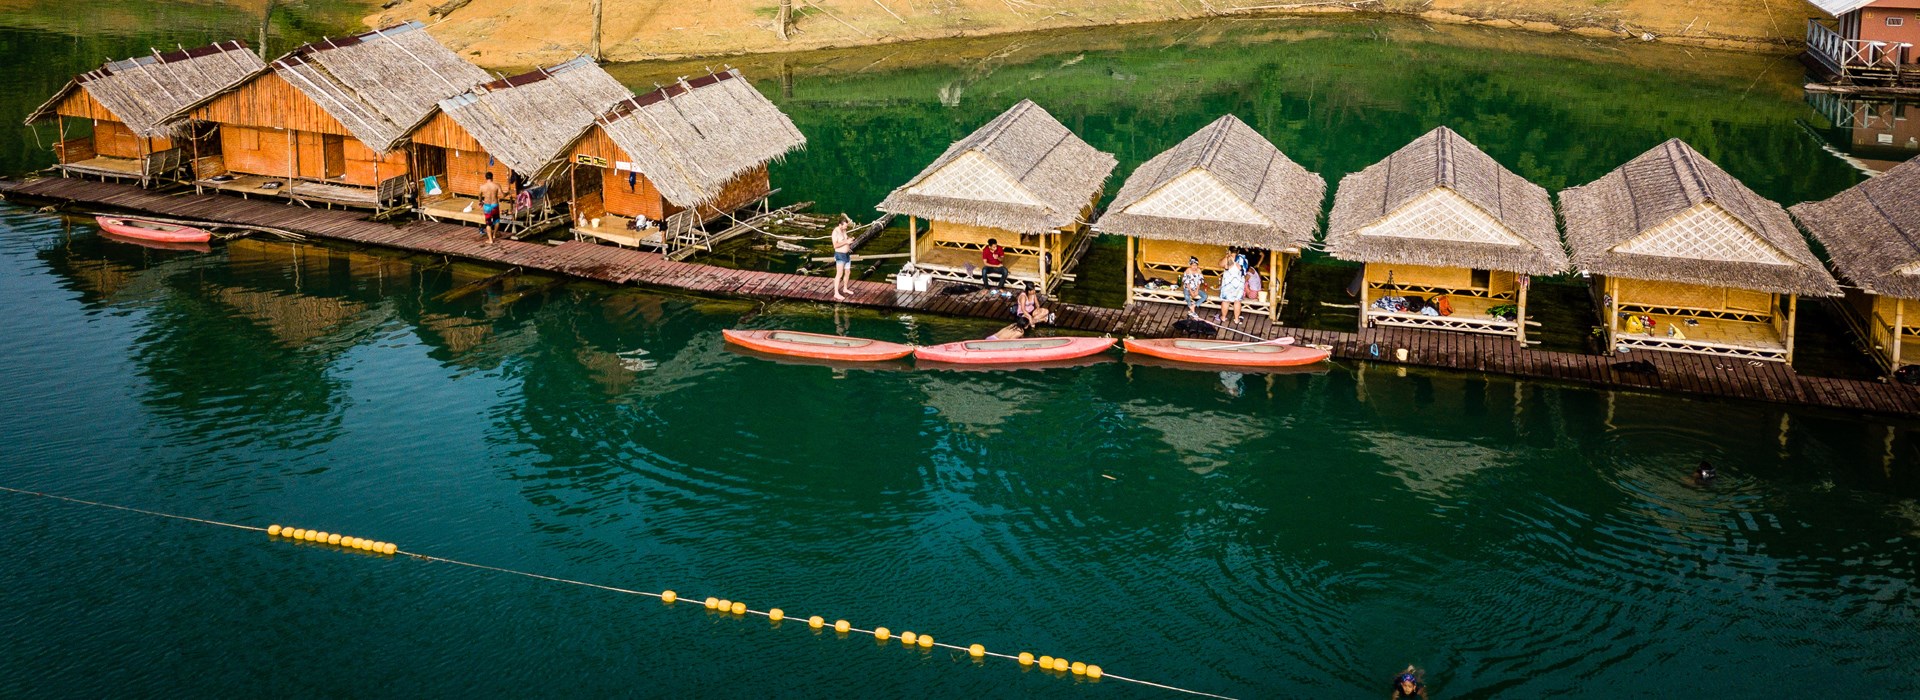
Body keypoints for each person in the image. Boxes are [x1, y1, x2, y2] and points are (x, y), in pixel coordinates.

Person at [1218, 250, 1247, 325]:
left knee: (1226, 301)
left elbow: (1220, 264)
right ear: (1238, 251)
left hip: (1228, 282)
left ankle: (1223, 317)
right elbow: (1245, 269)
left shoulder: (1227, 258)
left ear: (1230, 251)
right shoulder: (1242, 258)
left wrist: (1226, 256)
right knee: (1237, 301)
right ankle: (1236, 319)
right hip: (1239, 282)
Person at [830, 216, 854, 301]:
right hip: (840, 255)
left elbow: (845, 239)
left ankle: (845, 288)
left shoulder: (844, 230)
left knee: (847, 272)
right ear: (840, 224)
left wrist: (849, 240)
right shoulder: (835, 232)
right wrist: (846, 242)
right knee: (839, 274)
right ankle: (836, 293)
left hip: (847, 254)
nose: (846, 227)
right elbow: (835, 245)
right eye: (845, 226)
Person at [477, 171, 503, 244]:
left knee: (488, 223)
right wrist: (508, 193)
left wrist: (480, 201)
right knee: (497, 220)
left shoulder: (482, 186)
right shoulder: (496, 185)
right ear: (492, 177)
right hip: (495, 205)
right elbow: (503, 195)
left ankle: (490, 240)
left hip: (487, 206)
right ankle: (494, 234)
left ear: (485, 178)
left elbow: (479, 195)